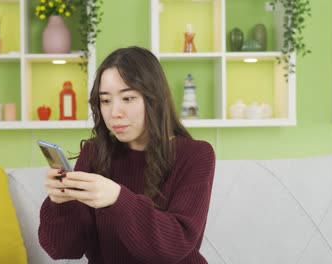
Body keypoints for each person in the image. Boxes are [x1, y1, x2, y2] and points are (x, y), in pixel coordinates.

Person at [38, 46, 216, 263]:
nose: (114, 113)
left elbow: (176, 245)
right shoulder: (94, 153)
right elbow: (64, 249)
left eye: (128, 98)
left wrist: (117, 198)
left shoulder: (196, 154)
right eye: (105, 100)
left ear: (154, 99)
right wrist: (60, 202)